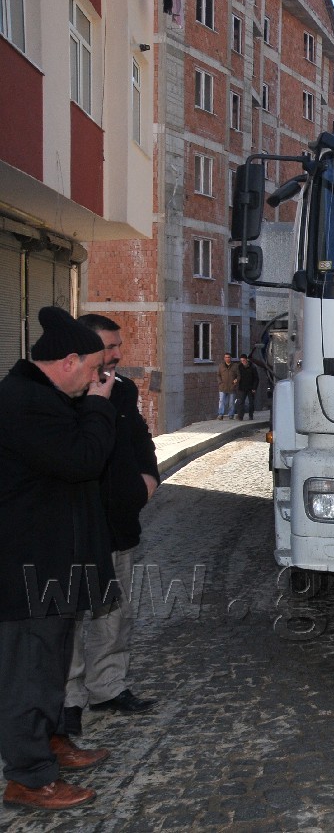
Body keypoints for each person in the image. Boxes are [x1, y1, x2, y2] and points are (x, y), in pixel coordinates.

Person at [0, 307, 117, 811]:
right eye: (93, 368)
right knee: (29, 672)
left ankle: (48, 746)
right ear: (69, 361)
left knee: (48, 668)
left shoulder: (42, 398)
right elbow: (83, 460)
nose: (99, 377)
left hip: (53, 564)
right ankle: (28, 778)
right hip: (30, 566)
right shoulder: (25, 403)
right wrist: (97, 406)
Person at [62, 315, 160, 738]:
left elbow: (140, 440)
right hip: (74, 530)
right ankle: (67, 702)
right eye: (109, 346)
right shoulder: (60, 396)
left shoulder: (122, 391)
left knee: (114, 613)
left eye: (119, 345)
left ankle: (108, 688)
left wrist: (148, 479)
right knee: (67, 615)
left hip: (119, 525)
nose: (118, 354)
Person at [234, 353, 259, 420]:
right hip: (242, 387)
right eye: (241, 360)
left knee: (251, 402)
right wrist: (236, 380)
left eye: (244, 360)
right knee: (241, 402)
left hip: (251, 388)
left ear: (246, 359)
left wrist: (254, 388)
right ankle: (240, 416)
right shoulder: (239, 367)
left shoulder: (252, 367)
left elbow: (256, 378)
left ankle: (251, 415)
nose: (243, 362)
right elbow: (237, 375)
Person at [216, 352, 238, 420]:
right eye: (226, 357)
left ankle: (231, 414)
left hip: (232, 387)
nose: (227, 359)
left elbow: (238, 375)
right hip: (223, 387)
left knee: (231, 402)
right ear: (224, 358)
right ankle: (220, 414)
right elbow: (218, 375)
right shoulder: (221, 365)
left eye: (228, 357)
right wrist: (220, 382)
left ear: (230, 358)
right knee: (221, 401)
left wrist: (236, 380)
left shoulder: (235, 366)